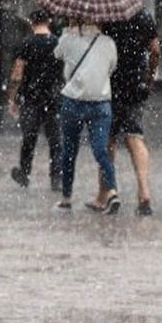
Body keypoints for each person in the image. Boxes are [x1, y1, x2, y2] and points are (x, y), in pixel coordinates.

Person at [92, 11, 161, 216]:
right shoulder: (144, 17)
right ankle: (144, 191)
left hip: (109, 84)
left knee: (108, 139)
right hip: (135, 85)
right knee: (135, 137)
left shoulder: (106, 16)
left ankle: (105, 193)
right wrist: (149, 76)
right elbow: (155, 50)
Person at [53, 17, 119, 213]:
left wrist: (68, 32)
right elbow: (111, 68)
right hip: (100, 104)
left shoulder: (68, 39)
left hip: (73, 102)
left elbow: (57, 55)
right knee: (101, 150)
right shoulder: (108, 42)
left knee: (69, 152)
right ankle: (112, 192)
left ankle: (66, 198)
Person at [6, 9, 63, 191]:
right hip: (53, 98)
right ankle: (56, 178)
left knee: (29, 138)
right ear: (49, 21)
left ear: (32, 22)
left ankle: (24, 173)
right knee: (55, 140)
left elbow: (17, 73)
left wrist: (12, 98)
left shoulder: (26, 44)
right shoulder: (58, 43)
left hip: (31, 98)